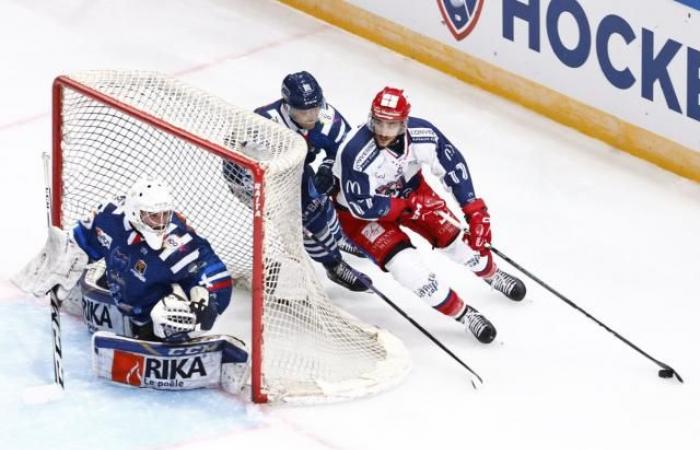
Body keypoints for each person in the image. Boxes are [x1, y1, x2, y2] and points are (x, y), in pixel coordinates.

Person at [333, 87, 527, 344]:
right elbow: (361, 204)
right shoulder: (355, 151)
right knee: (408, 270)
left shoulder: (423, 134)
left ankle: (491, 274)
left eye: (390, 124)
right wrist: (406, 206)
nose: (382, 130)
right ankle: (464, 314)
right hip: (362, 218)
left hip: (413, 194)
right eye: (378, 121)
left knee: (459, 241)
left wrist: (474, 210)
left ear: (403, 122)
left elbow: (453, 166)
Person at [15, 178, 233, 342]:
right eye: (153, 216)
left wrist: (208, 299)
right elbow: (81, 239)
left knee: (167, 314)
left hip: (151, 311)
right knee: (82, 273)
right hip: (120, 290)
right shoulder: (109, 218)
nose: (160, 223)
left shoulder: (177, 244)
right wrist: (62, 256)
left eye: (165, 215)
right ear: (136, 213)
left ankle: (165, 340)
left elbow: (213, 269)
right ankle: (88, 299)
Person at [226, 70, 371, 292]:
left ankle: (337, 237)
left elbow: (346, 150)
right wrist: (266, 200)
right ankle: (334, 265)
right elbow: (234, 168)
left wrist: (327, 168)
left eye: (315, 107)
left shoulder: (325, 116)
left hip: (295, 168)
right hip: (257, 181)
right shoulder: (263, 126)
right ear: (287, 106)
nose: (312, 115)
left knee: (322, 199)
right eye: (304, 111)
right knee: (308, 220)